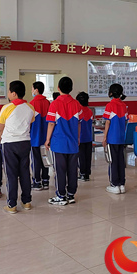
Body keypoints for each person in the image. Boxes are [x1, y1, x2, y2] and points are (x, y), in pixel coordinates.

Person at [0, 80, 35, 214]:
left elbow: (0, 127)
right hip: (25, 142)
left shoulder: (7, 108)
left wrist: (0, 138)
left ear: (13, 93)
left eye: (9, 91)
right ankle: (26, 201)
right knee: (24, 172)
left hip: (9, 143)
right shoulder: (30, 107)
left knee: (11, 174)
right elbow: (30, 122)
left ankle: (12, 204)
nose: (8, 93)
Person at [45, 77, 82, 205]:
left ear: (58, 88)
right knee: (73, 170)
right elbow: (79, 123)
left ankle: (61, 195)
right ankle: (71, 195)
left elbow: (51, 124)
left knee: (60, 170)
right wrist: (78, 138)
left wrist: (47, 139)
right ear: (71, 88)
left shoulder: (54, 104)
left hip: (58, 143)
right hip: (73, 143)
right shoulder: (76, 104)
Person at [103, 83, 128, 194]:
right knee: (120, 161)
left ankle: (114, 184)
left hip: (112, 138)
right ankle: (122, 184)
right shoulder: (124, 106)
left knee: (113, 161)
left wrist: (104, 137)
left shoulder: (110, 105)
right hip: (121, 137)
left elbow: (107, 122)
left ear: (111, 93)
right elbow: (126, 121)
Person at [30, 81, 51, 190]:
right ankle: (45, 180)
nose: (31, 91)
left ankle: (37, 182)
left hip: (35, 137)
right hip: (46, 136)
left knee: (36, 160)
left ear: (36, 90)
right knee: (45, 158)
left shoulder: (32, 104)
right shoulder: (48, 103)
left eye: (32, 88)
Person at [76, 92, 93, 181]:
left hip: (80, 138)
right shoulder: (89, 111)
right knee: (88, 157)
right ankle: (87, 174)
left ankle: (82, 173)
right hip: (89, 137)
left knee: (81, 157)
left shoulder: (78, 111)